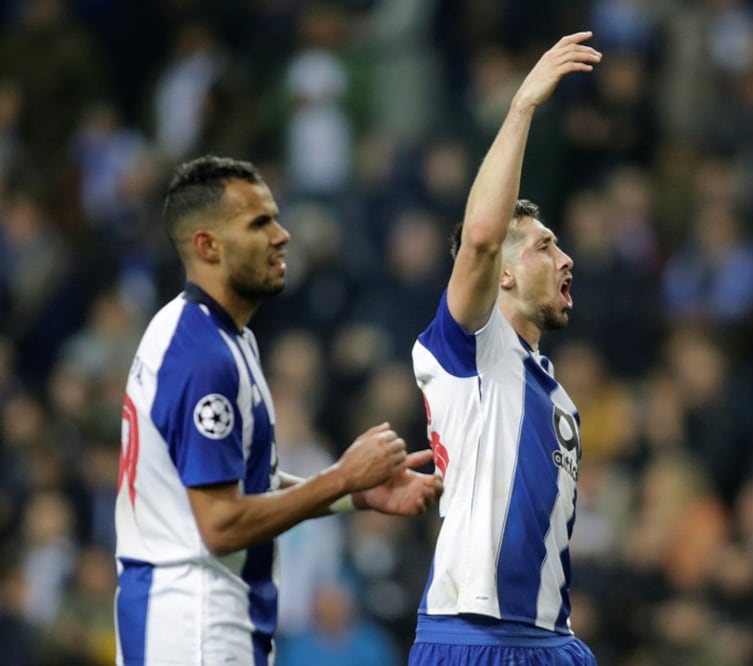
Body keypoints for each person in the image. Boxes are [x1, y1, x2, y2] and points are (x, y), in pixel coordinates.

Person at [114, 155, 443, 666]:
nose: (283, 235)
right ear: (208, 245)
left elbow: (243, 484)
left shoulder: (220, 337)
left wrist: (351, 492)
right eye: (259, 223)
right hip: (192, 628)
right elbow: (220, 524)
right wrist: (338, 482)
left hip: (204, 622)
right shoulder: (202, 357)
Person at [409, 32, 602, 665]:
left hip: (550, 641)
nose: (566, 257)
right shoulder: (470, 350)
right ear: (506, 275)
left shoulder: (555, 396)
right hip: (472, 640)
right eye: (546, 245)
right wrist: (521, 108)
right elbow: (482, 239)